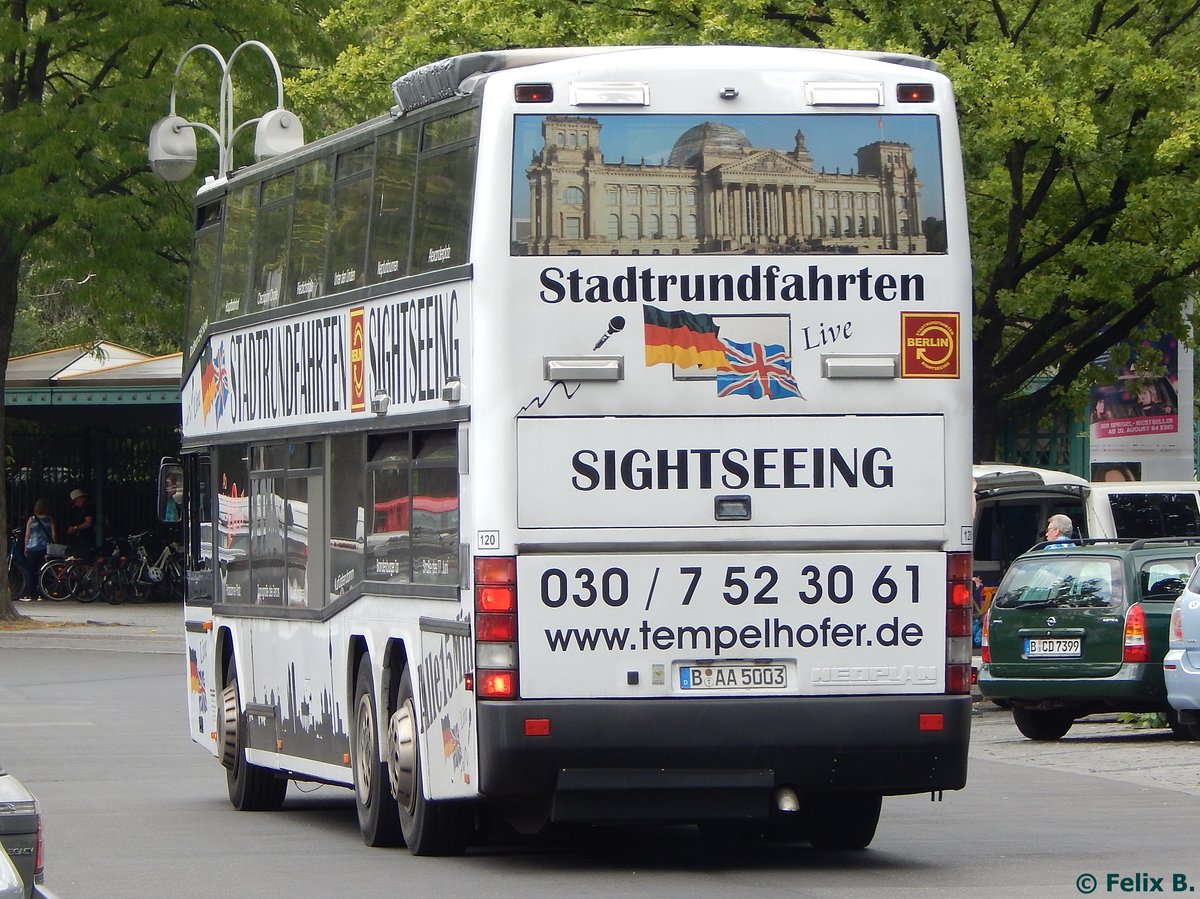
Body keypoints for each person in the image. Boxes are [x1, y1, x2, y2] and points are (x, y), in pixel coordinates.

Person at [21, 498, 57, 600]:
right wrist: (53, 543)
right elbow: (54, 535)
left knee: (30, 571)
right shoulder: (49, 519)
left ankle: (29, 593)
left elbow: (27, 534)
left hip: (32, 547)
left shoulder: (32, 519)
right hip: (45, 548)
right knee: (42, 571)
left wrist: (25, 546)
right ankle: (41, 593)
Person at [65, 488, 96, 557]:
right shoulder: (81, 508)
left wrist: (75, 528)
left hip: (89, 538)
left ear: (80, 498)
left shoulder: (88, 507)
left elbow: (88, 523)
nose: (75, 504)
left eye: (75, 501)